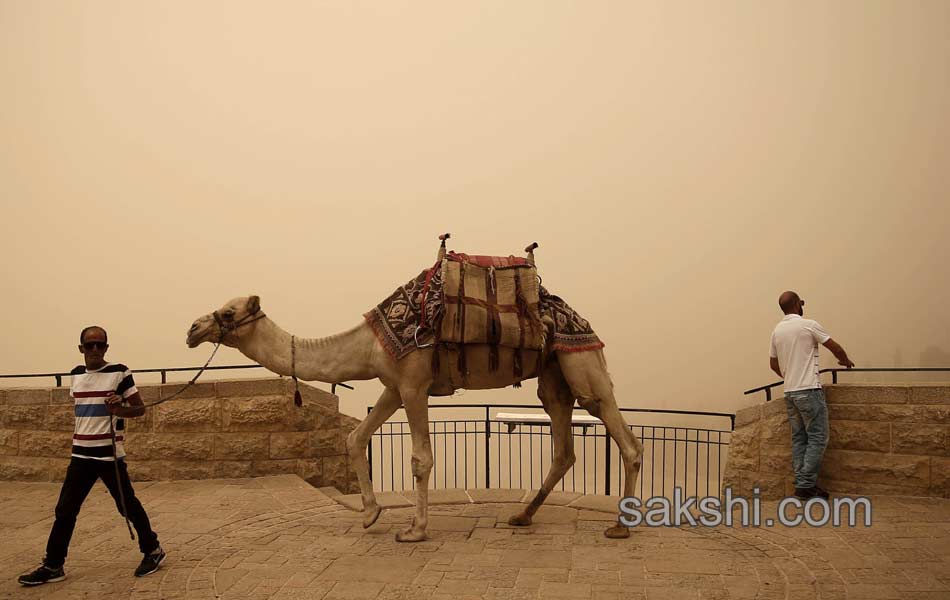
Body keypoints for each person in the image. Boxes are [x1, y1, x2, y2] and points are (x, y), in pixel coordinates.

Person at [17, 326, 166, 586]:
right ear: (81, 348)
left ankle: (153, 550)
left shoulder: (120, 372)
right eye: (90, 345)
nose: (95, 349)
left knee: (127, 506)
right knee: (65, 511)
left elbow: (139, 409)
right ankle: (53, 565)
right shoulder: (75, 375)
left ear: (107, 348)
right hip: (80, 456)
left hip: (109, 456)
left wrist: (118, 408)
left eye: (100, 345)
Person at [769, 292, 854, 501]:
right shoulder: (809, 325)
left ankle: (801, 482)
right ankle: (806, 485)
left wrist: (790, 376)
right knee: (817, 437)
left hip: (790, 392)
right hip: (808, 390)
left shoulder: (777, 331)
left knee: (799, 438)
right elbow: (834, 347)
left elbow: (773, 364)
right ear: (798, 305)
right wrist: (845, 361)